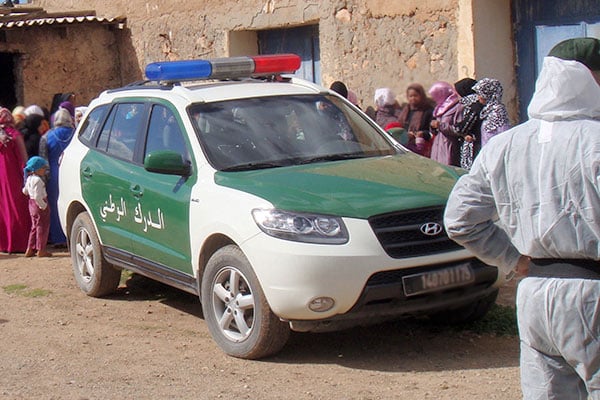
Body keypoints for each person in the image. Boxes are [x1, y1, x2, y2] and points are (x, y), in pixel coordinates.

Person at [443, 37, 600, 400]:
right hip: (592, 293)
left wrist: (514, 259)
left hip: (535, 298)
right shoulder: (594, 142)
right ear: (590, 80)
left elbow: (460, 219)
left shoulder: (505, 145)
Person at [39, 108, 74, 246]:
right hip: (71, 172)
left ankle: (58, 238)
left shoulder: (47, 136)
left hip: (54, 174)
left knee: (54, 205)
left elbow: (43, 159)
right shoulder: (77, 134)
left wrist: (44, 179)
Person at [0, 107, 31, 253]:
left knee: (3, 208)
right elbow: (24, 158)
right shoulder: (14, 134)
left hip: (1, 177)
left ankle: (5, 244)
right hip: (14, 176)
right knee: (17, 207)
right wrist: (28, 173)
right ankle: (21, 243)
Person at [22, 156, 52, 258]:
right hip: (39, 204)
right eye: (43, 168)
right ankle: (41, 249)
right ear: (38, 169)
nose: (44, 170)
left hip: (31, 204)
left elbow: (25, 191)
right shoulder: (38, 181)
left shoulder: (29, 179)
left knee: (34, 226)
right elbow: (38, 196)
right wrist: (43, 205)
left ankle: (30, 248)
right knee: (42, 227)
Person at [428, 81, 462, 166]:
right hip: (438, 146)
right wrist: (433, 127)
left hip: (449, 145)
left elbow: (459, 129)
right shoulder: (439, 108)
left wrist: (440, 125)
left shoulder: (457, 107)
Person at [397, 83, 434, 157]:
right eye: (410, 96)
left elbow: (432, 132)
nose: (413, 98)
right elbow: (400, 127)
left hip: (422, 147)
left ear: (421, 96)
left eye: (415, 96)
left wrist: (422, 134)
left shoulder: (428, 111)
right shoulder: (406, 111)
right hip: (405, 147)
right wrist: (406, 135)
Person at [453, 78, 483, 170]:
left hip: (474, 145)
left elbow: (462, 128)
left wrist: (457, 128)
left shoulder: (474, 107)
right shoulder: (477, 104)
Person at [472, 77, 510, 147]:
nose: (478, 97)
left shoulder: (497, 111)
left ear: (488, 94)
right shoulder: (487, 111)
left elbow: (504, 134)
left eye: (481, 94)